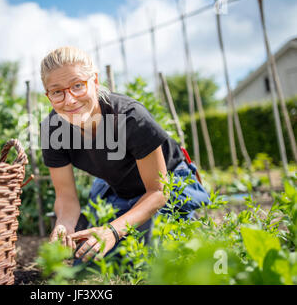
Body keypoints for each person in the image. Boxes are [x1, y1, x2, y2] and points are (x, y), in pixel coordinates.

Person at [40, 46, 210, 264]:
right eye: (57, 92)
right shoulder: (52, 130)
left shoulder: (130, 117)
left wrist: (112, 230)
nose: (70, 100)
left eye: (78, 86)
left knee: (148, 259)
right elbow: (66, 198)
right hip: (119, 188)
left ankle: (185, 218)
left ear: (95, 81)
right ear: (48, 95)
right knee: (91, 261)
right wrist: (64, 224)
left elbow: (158, 191)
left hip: (167, 184)